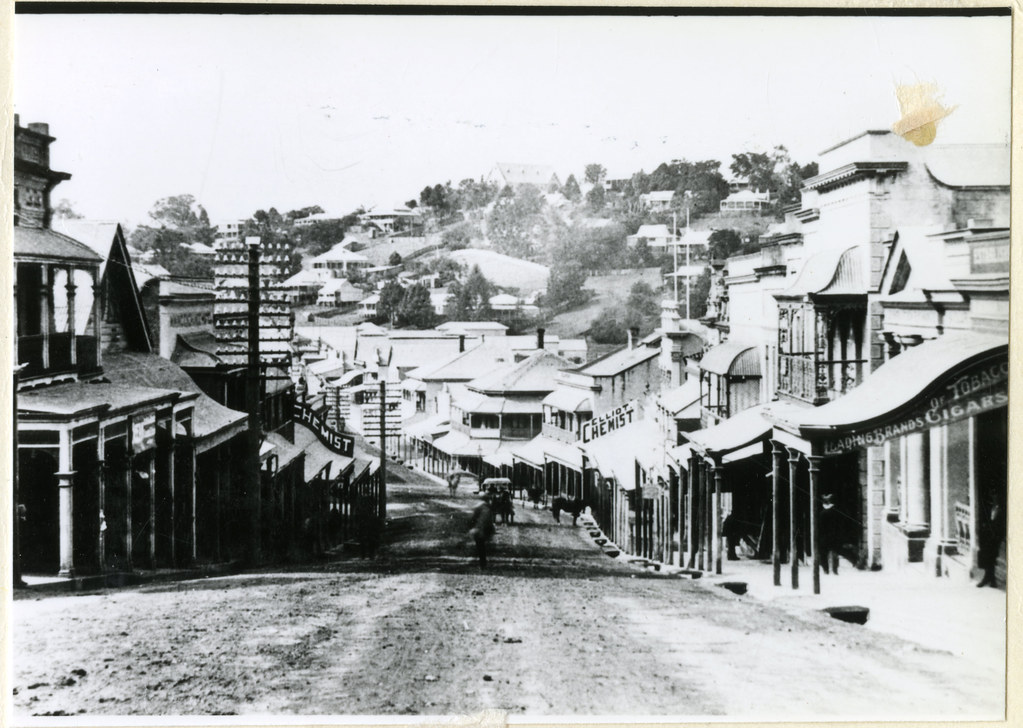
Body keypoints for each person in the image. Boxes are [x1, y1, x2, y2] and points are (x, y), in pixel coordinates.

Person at [977, 501, 1005, 588]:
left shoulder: (1001, 511)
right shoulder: (989, 508)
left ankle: (988, 579)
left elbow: (1001, 526)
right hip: (988, 536)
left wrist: (998, 537)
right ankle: (991, 580)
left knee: (991, 557)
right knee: (988, 557)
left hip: (996, 537)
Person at [468, 495, 496, 568]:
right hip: (485, 529)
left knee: (480, 547)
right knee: (483, 547)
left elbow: (473, 518)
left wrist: (471, 526)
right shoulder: (488, 507)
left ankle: (482, 563)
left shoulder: (478, 507)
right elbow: (491, 520)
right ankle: (483, 563)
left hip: (478, 529)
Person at [819, 493, 841, 574]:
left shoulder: (822, 512)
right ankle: (835, 569)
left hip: (824, 535)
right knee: (835, 552)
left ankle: (826, 569)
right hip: (834, 534)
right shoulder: (835, 511)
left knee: (823, 553)